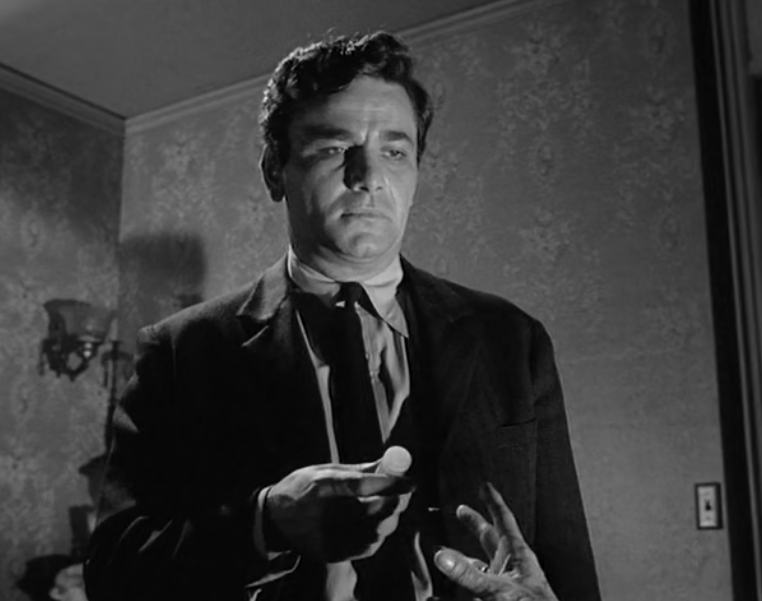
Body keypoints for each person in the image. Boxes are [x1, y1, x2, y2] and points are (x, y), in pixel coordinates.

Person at [83, 32, 601, 601]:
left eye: (395, 152)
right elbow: (114, 572)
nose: (368, 176)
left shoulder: (512, 340)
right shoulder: (183, 351)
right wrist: (266, 523)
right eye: (334, 148)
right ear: (274, 170)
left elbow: (564, 563)